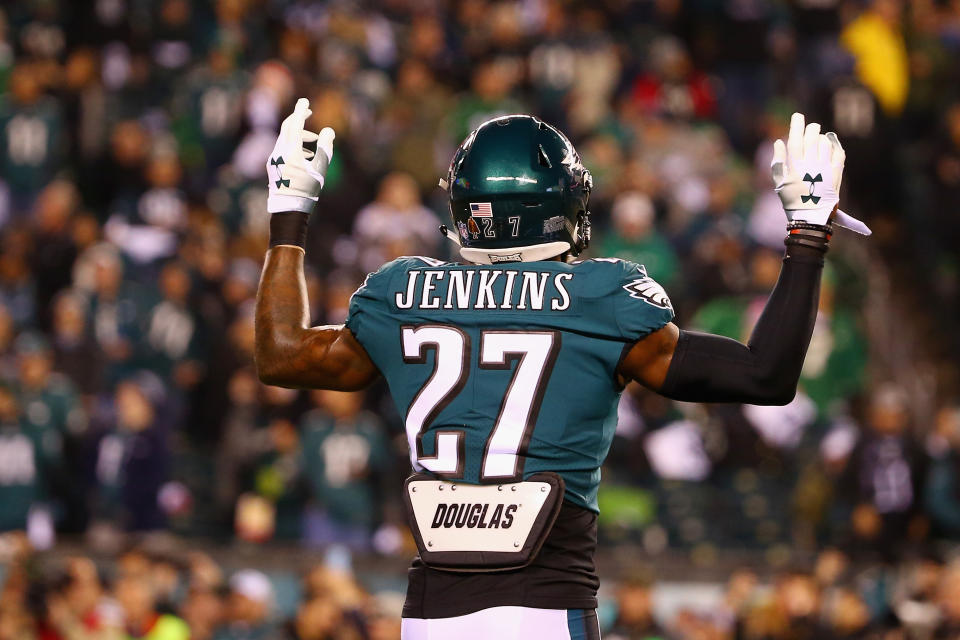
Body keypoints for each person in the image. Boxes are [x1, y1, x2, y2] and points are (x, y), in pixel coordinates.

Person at [254, 99, 870, 639]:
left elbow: (281, 353)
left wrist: (289, 212)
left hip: (429, 616)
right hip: (542, 610)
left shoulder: (400, 291)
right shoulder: (601, 297)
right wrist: (807, 232)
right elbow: (766, 375)